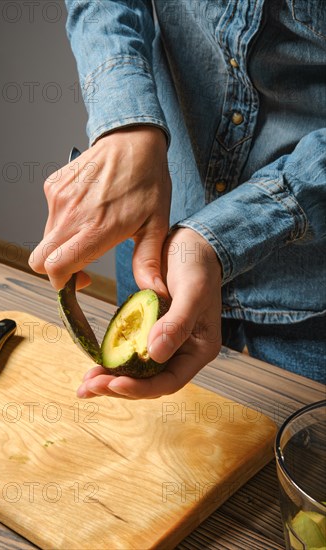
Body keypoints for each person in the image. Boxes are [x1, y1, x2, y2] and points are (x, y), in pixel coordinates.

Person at [30, 1, 326, 397]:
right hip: (155, 240)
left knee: (304, 457)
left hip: (311, 294)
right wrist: (126, 122)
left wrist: (218, 237)